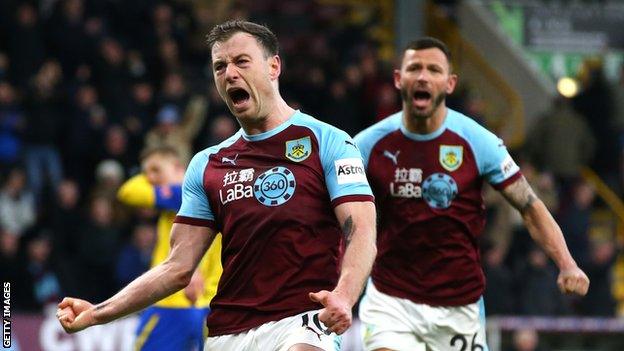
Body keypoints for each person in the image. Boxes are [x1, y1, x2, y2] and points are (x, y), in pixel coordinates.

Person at [57, 20, 377, 351]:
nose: (230, 74)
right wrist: (97, 313)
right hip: (228, 333)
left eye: (241, 61)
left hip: (302, 322)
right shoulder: (208, 164)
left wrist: (344, 295)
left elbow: (362, 230)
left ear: (273, 66)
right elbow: (176, 268)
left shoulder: (328, 142)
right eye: (220, 66)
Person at [354, 37, 589, 351]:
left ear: (450, 84)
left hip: (457, 304)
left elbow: (530, 206)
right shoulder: (367, 145)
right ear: (399, 79)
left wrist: (567, 263)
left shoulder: (479, 142)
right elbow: (334, 212)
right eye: (414, 68)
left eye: (434, 69)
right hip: (390, 299)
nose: (423, 76)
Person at [116, 145, 223, 350]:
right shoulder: (210, 195)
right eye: (146, 173)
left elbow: (127, 192)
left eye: (156, 171)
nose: (151, 178)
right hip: (207, 305)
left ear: (177, 167)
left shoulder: (182, 193)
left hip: (171, 303)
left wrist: (170, 178)